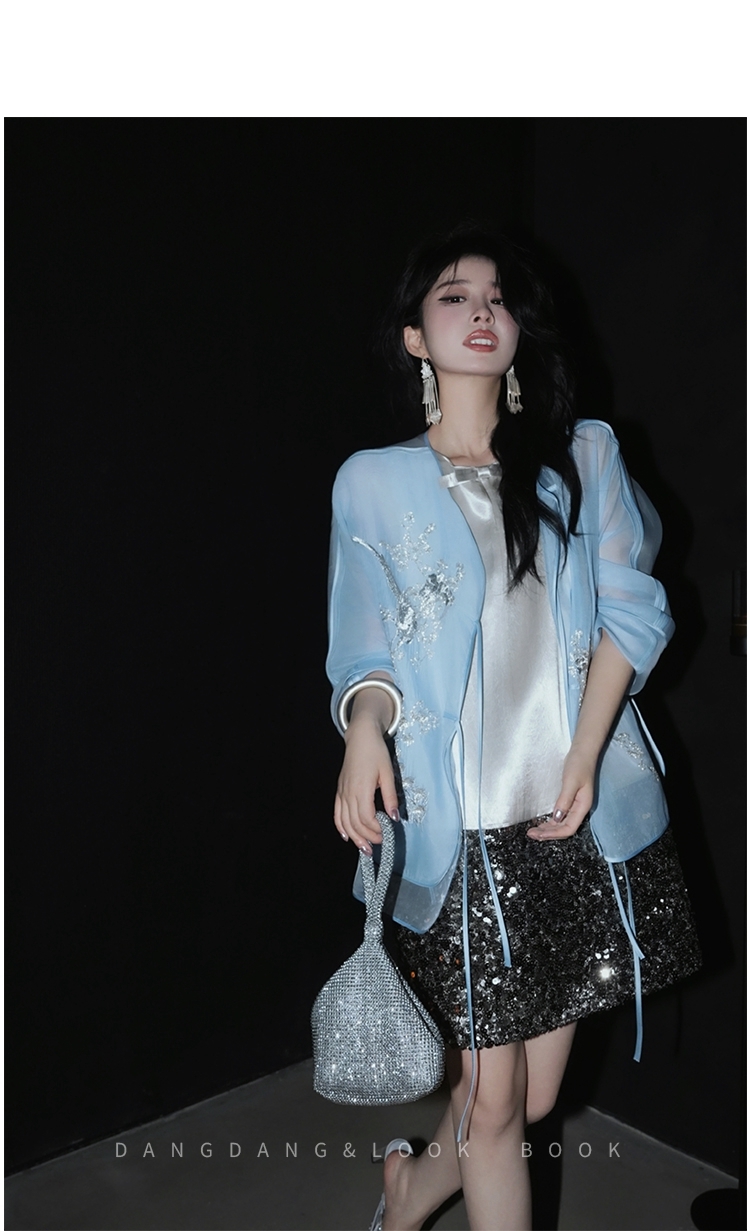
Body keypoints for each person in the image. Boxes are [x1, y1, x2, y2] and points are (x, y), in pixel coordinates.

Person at [326, 227, 701, 1231]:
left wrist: (585, 754)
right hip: (460, 834)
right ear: (415, 337)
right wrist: (363, 730)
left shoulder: (584, 456)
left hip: (571, 811)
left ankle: (410, 1188)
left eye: (497, 297)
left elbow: (636, 613)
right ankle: (414, 1201)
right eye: (454, 296)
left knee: (527, 1101)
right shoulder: (372, 481)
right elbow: (364, 643)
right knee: (494, 1109)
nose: (482, 311)